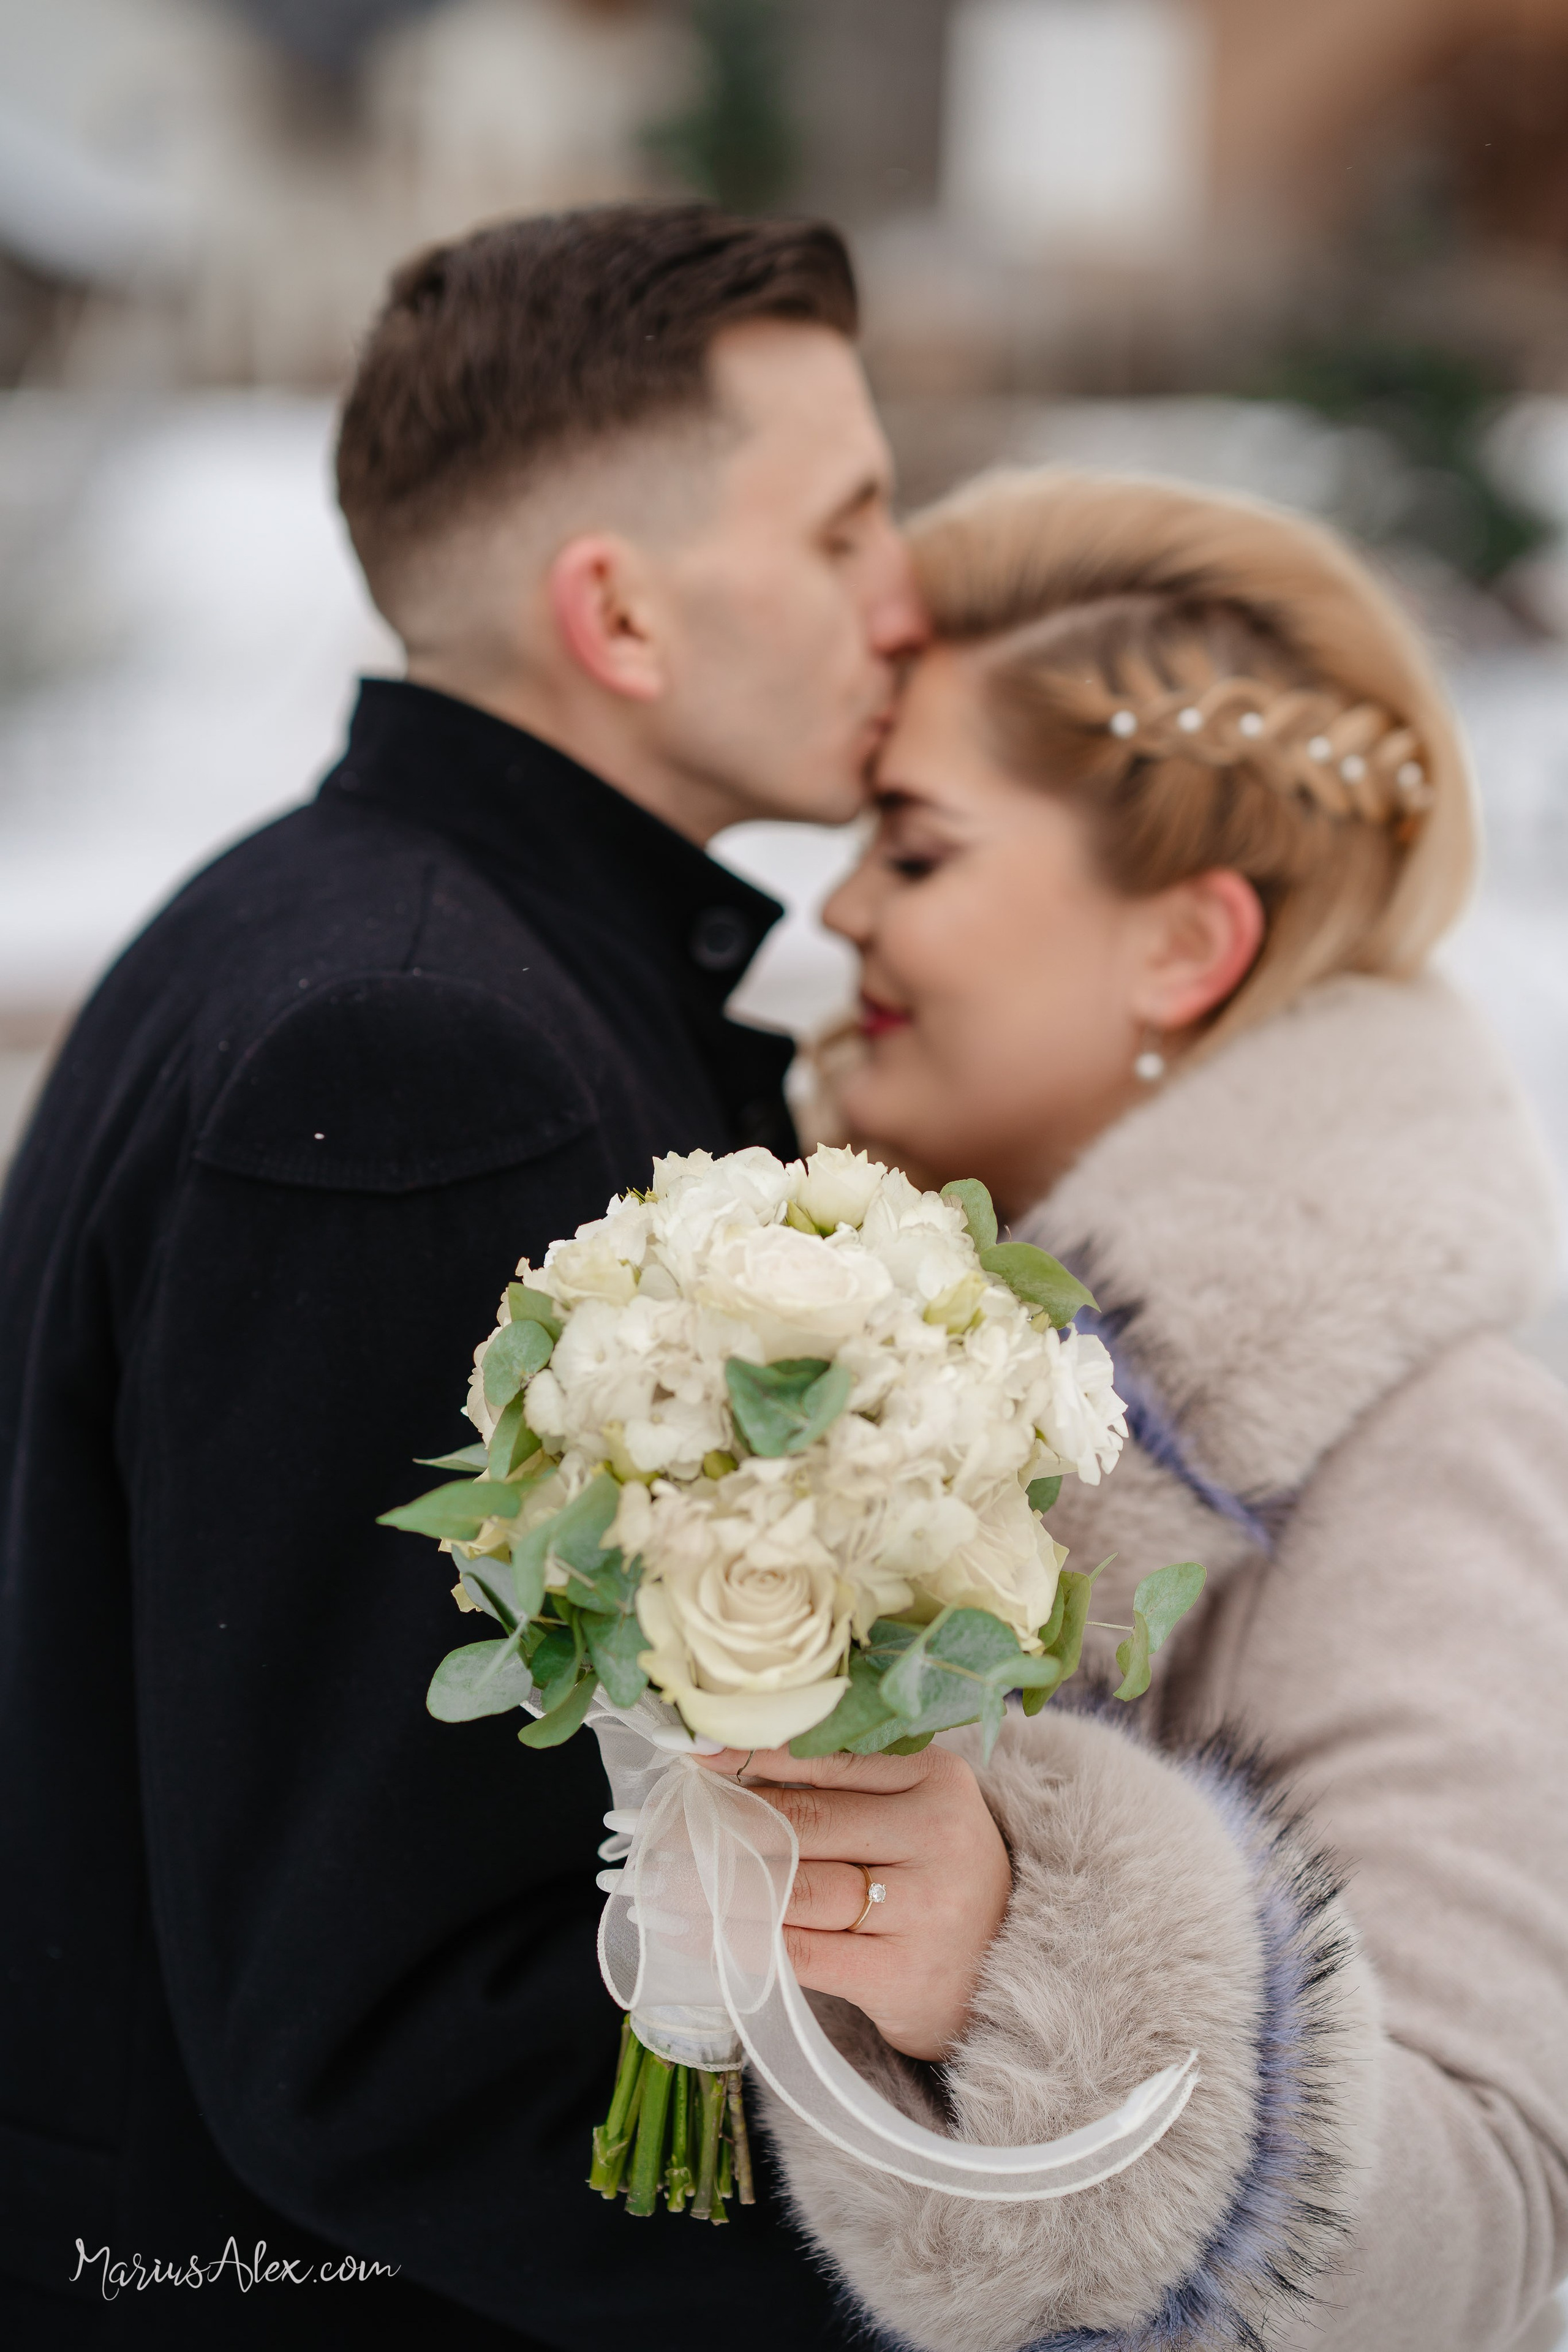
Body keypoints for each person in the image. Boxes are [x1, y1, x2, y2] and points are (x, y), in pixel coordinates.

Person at [0, 204, 923, 2345]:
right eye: (848, 529)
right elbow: (389, 2032)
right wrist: (976, 2269)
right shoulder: (425, 1056)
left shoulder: (349, 923)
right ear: (617, 612)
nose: (909, 603)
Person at [701, 470, 1568, 2351]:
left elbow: (1492, 2217)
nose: (839, 906)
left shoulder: (1431, 1446)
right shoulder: (828, 1318)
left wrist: (1036, 1945)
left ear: (1184, 946)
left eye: (915, 853)